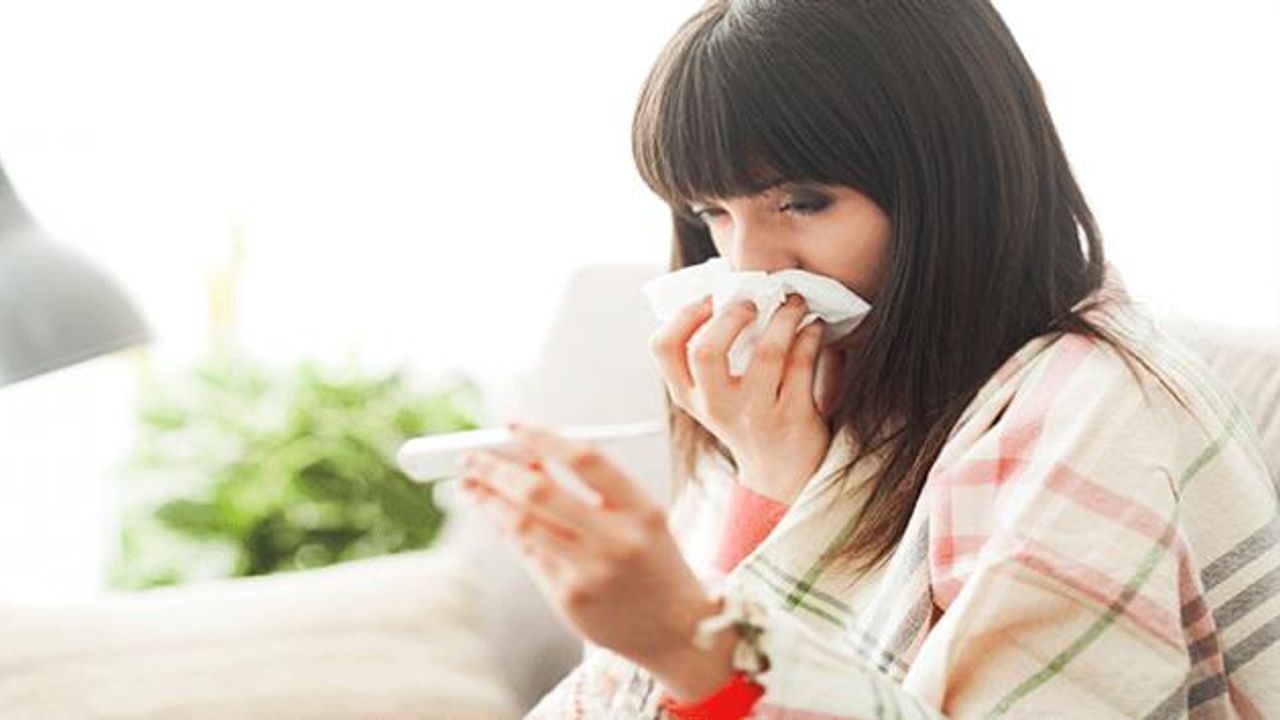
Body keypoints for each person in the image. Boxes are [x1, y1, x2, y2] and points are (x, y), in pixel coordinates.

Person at [458, 1, 1280, 717]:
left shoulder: (1095, 411)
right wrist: (766, 478)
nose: (748, 267)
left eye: (802, 202)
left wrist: (746, 551)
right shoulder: (793, 397)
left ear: (951, 181)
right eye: (712, 213)